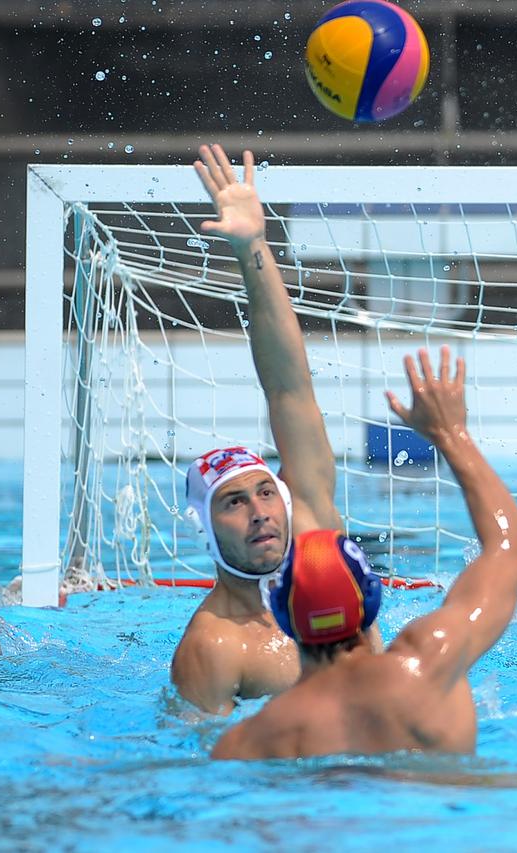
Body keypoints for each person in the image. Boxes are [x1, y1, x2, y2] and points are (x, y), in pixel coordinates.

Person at [211, 346, 517, 760]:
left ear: (282, 614)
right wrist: (450, 434)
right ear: (371, 599)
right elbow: (512, 552)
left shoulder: (245, 744)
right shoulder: (429, 664)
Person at [170, 144, 352, 714]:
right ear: (205, 526)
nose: (259, 512)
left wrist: (253, 246)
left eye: (265, 490)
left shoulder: (316, 531)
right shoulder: (213, 647)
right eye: (233, 502)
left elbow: (289, 386)